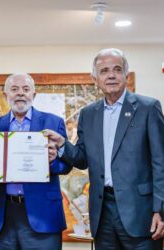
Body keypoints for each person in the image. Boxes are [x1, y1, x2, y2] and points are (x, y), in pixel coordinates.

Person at [44, 48, 164, 250]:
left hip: (140, 212)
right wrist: (63, 144)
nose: (111, 75)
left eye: (117, 69)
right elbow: (82, 159)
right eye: (104, 70)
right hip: (102, 211)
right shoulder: (89, 114)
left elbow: (160, 161)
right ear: (95, 78)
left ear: (126, 74)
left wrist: (160, 210)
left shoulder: (148, 108)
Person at [0, 73, 72, 250]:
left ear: (34, 94)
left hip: (43, 213)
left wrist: (52, 161)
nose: (20, 94)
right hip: (5, 214)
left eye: (26, 89)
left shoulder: (53, 122)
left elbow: (67, 165)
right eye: (14, 89)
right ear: (5, 95)